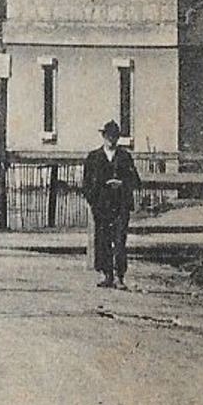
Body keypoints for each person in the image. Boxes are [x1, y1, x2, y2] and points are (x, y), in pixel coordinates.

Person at [82, 120, 139, 289]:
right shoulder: (94, 157)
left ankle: (120, 276)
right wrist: (94, 200)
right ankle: (107, 274)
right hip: (102, 205)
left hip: (120, 204)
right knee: (103, 239)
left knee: (120, 240)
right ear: (103, 137)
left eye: (114, 136)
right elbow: (86, 183)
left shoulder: (124, 157)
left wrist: (122, 184)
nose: (111, 139)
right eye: (108, 136)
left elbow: (135, 180)